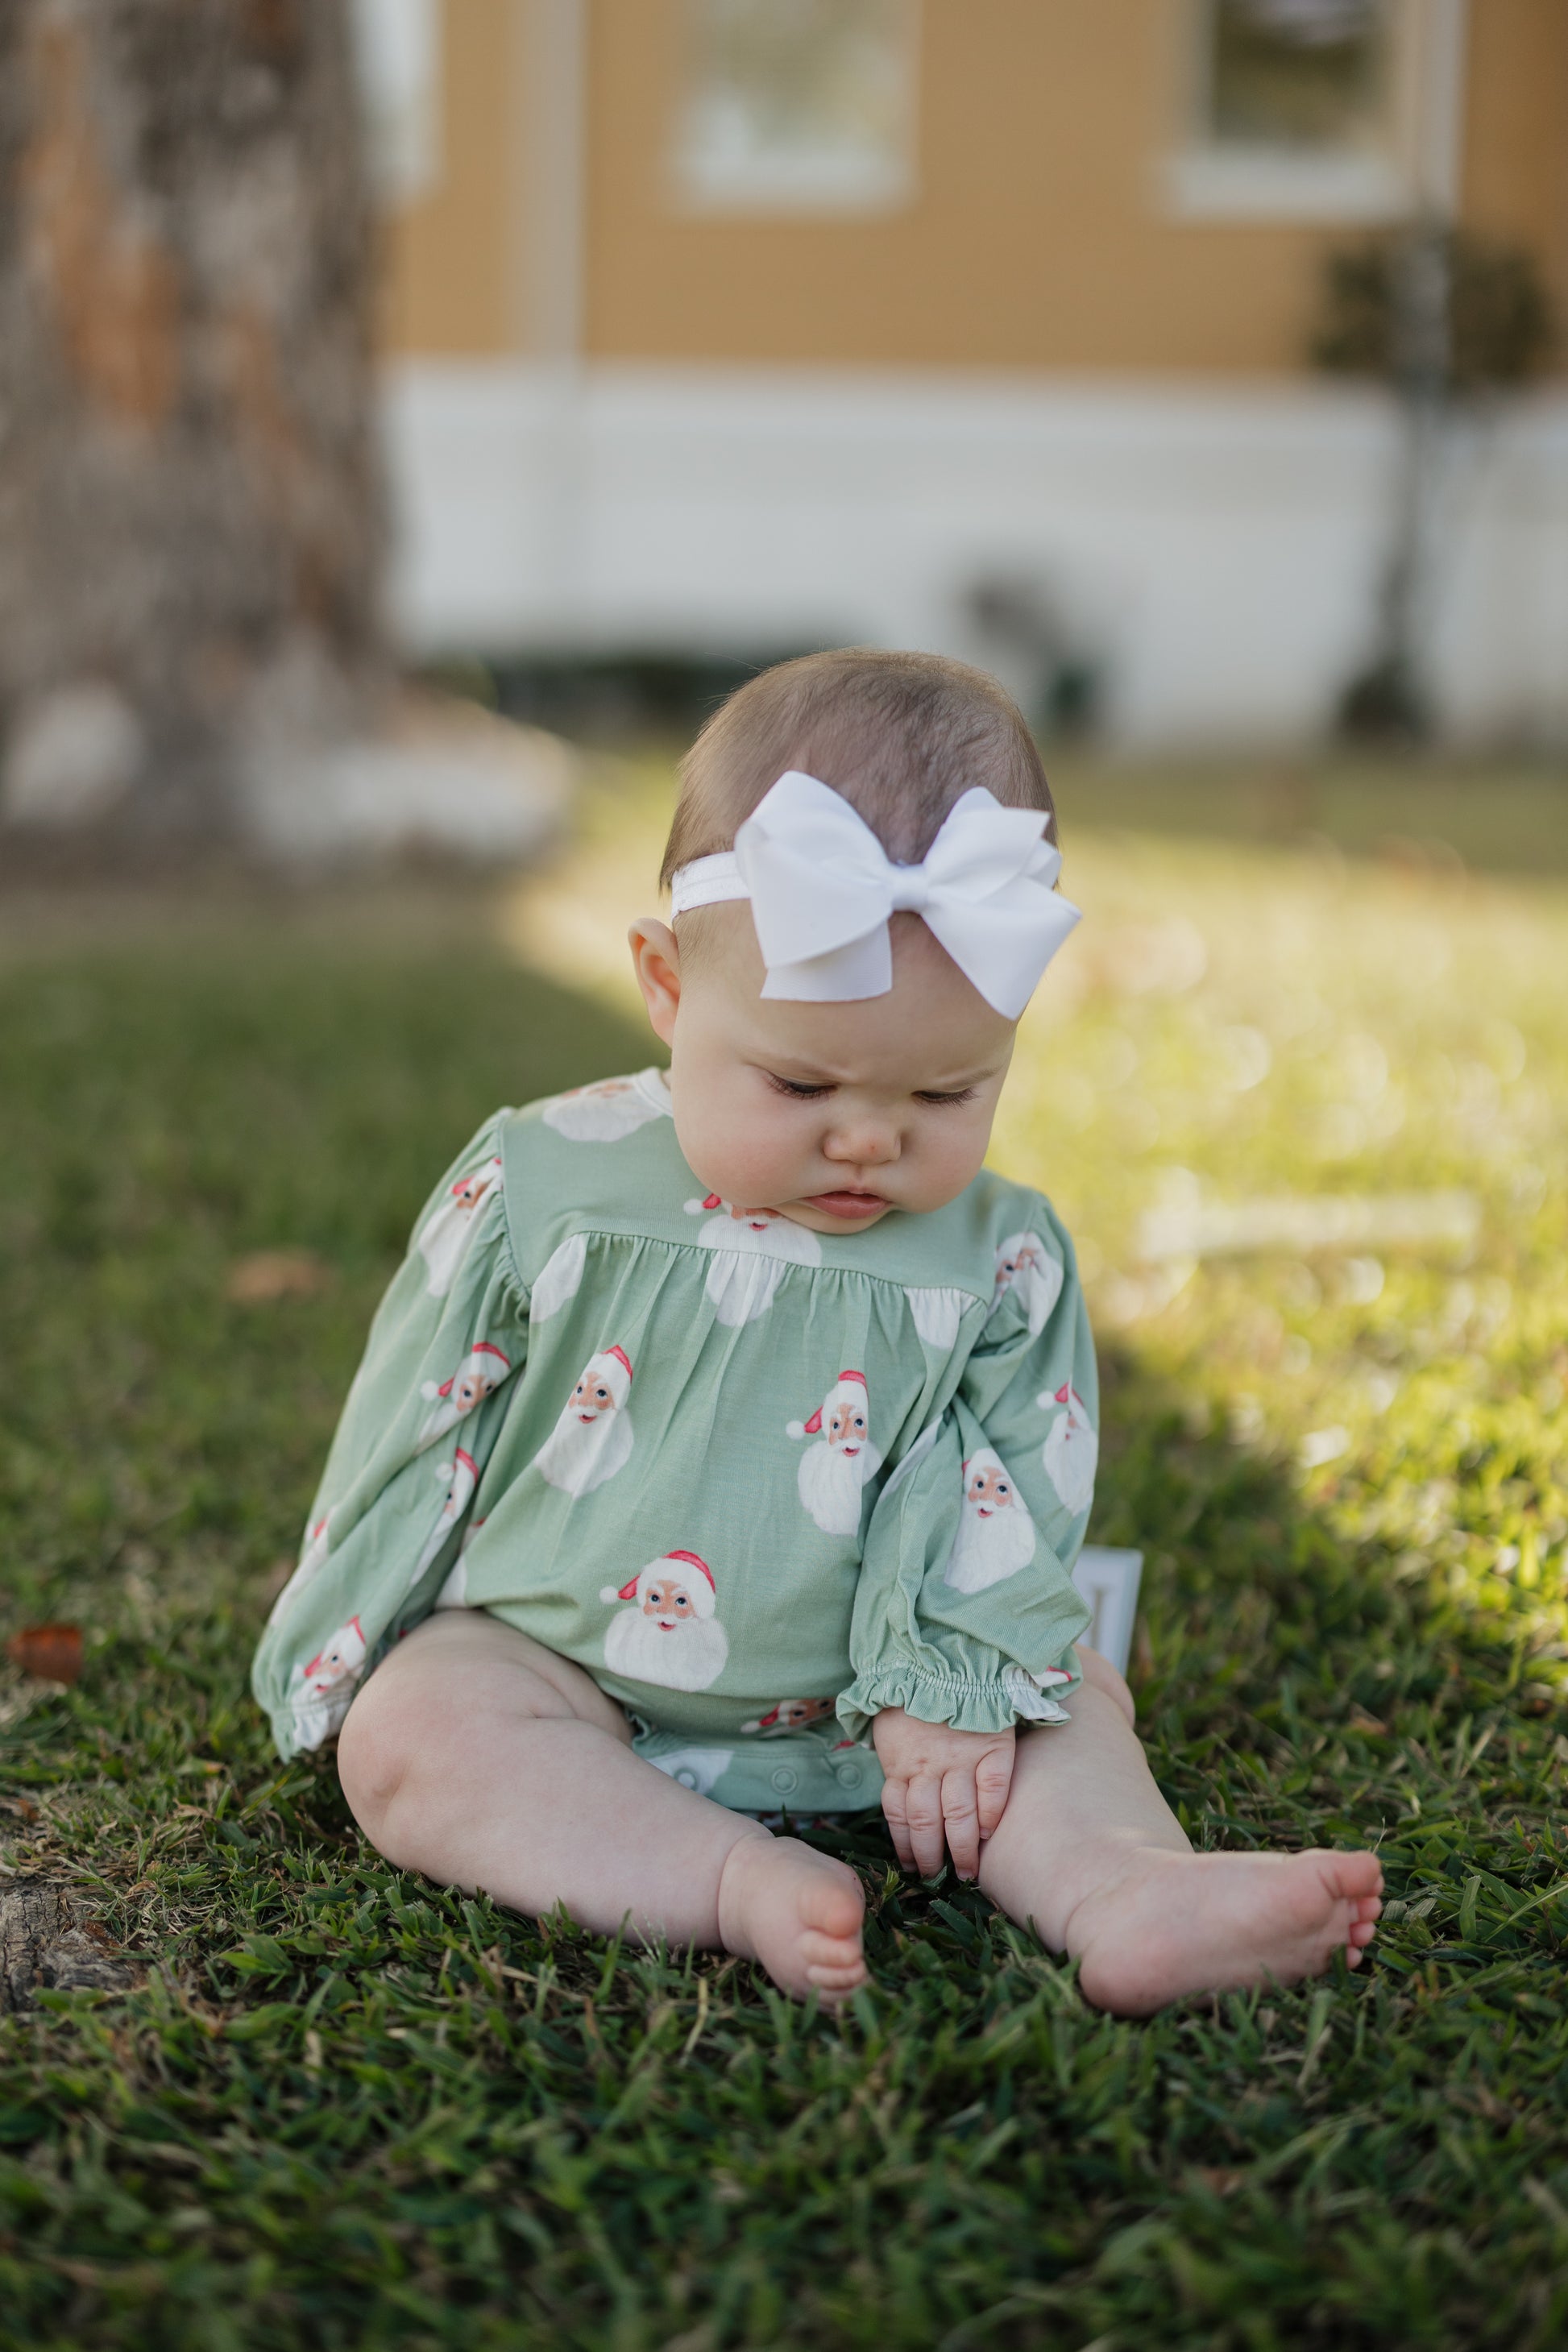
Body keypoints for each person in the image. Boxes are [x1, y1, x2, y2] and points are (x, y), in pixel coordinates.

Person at [251, 649, 1381, 2012]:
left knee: (1064, 1700)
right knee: (416, 1734)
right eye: (797, 1079)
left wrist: (951, 1676)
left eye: (947, 1091)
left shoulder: (999, 1257)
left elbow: (1025, 1484)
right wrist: (348, 1628)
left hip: (895, 1708)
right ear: (665, 989)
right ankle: (720, 1878)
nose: (867, 1137)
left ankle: (1125, 1890)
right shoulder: (542, 1186)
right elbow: (423, 1405)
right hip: (563, 1664)